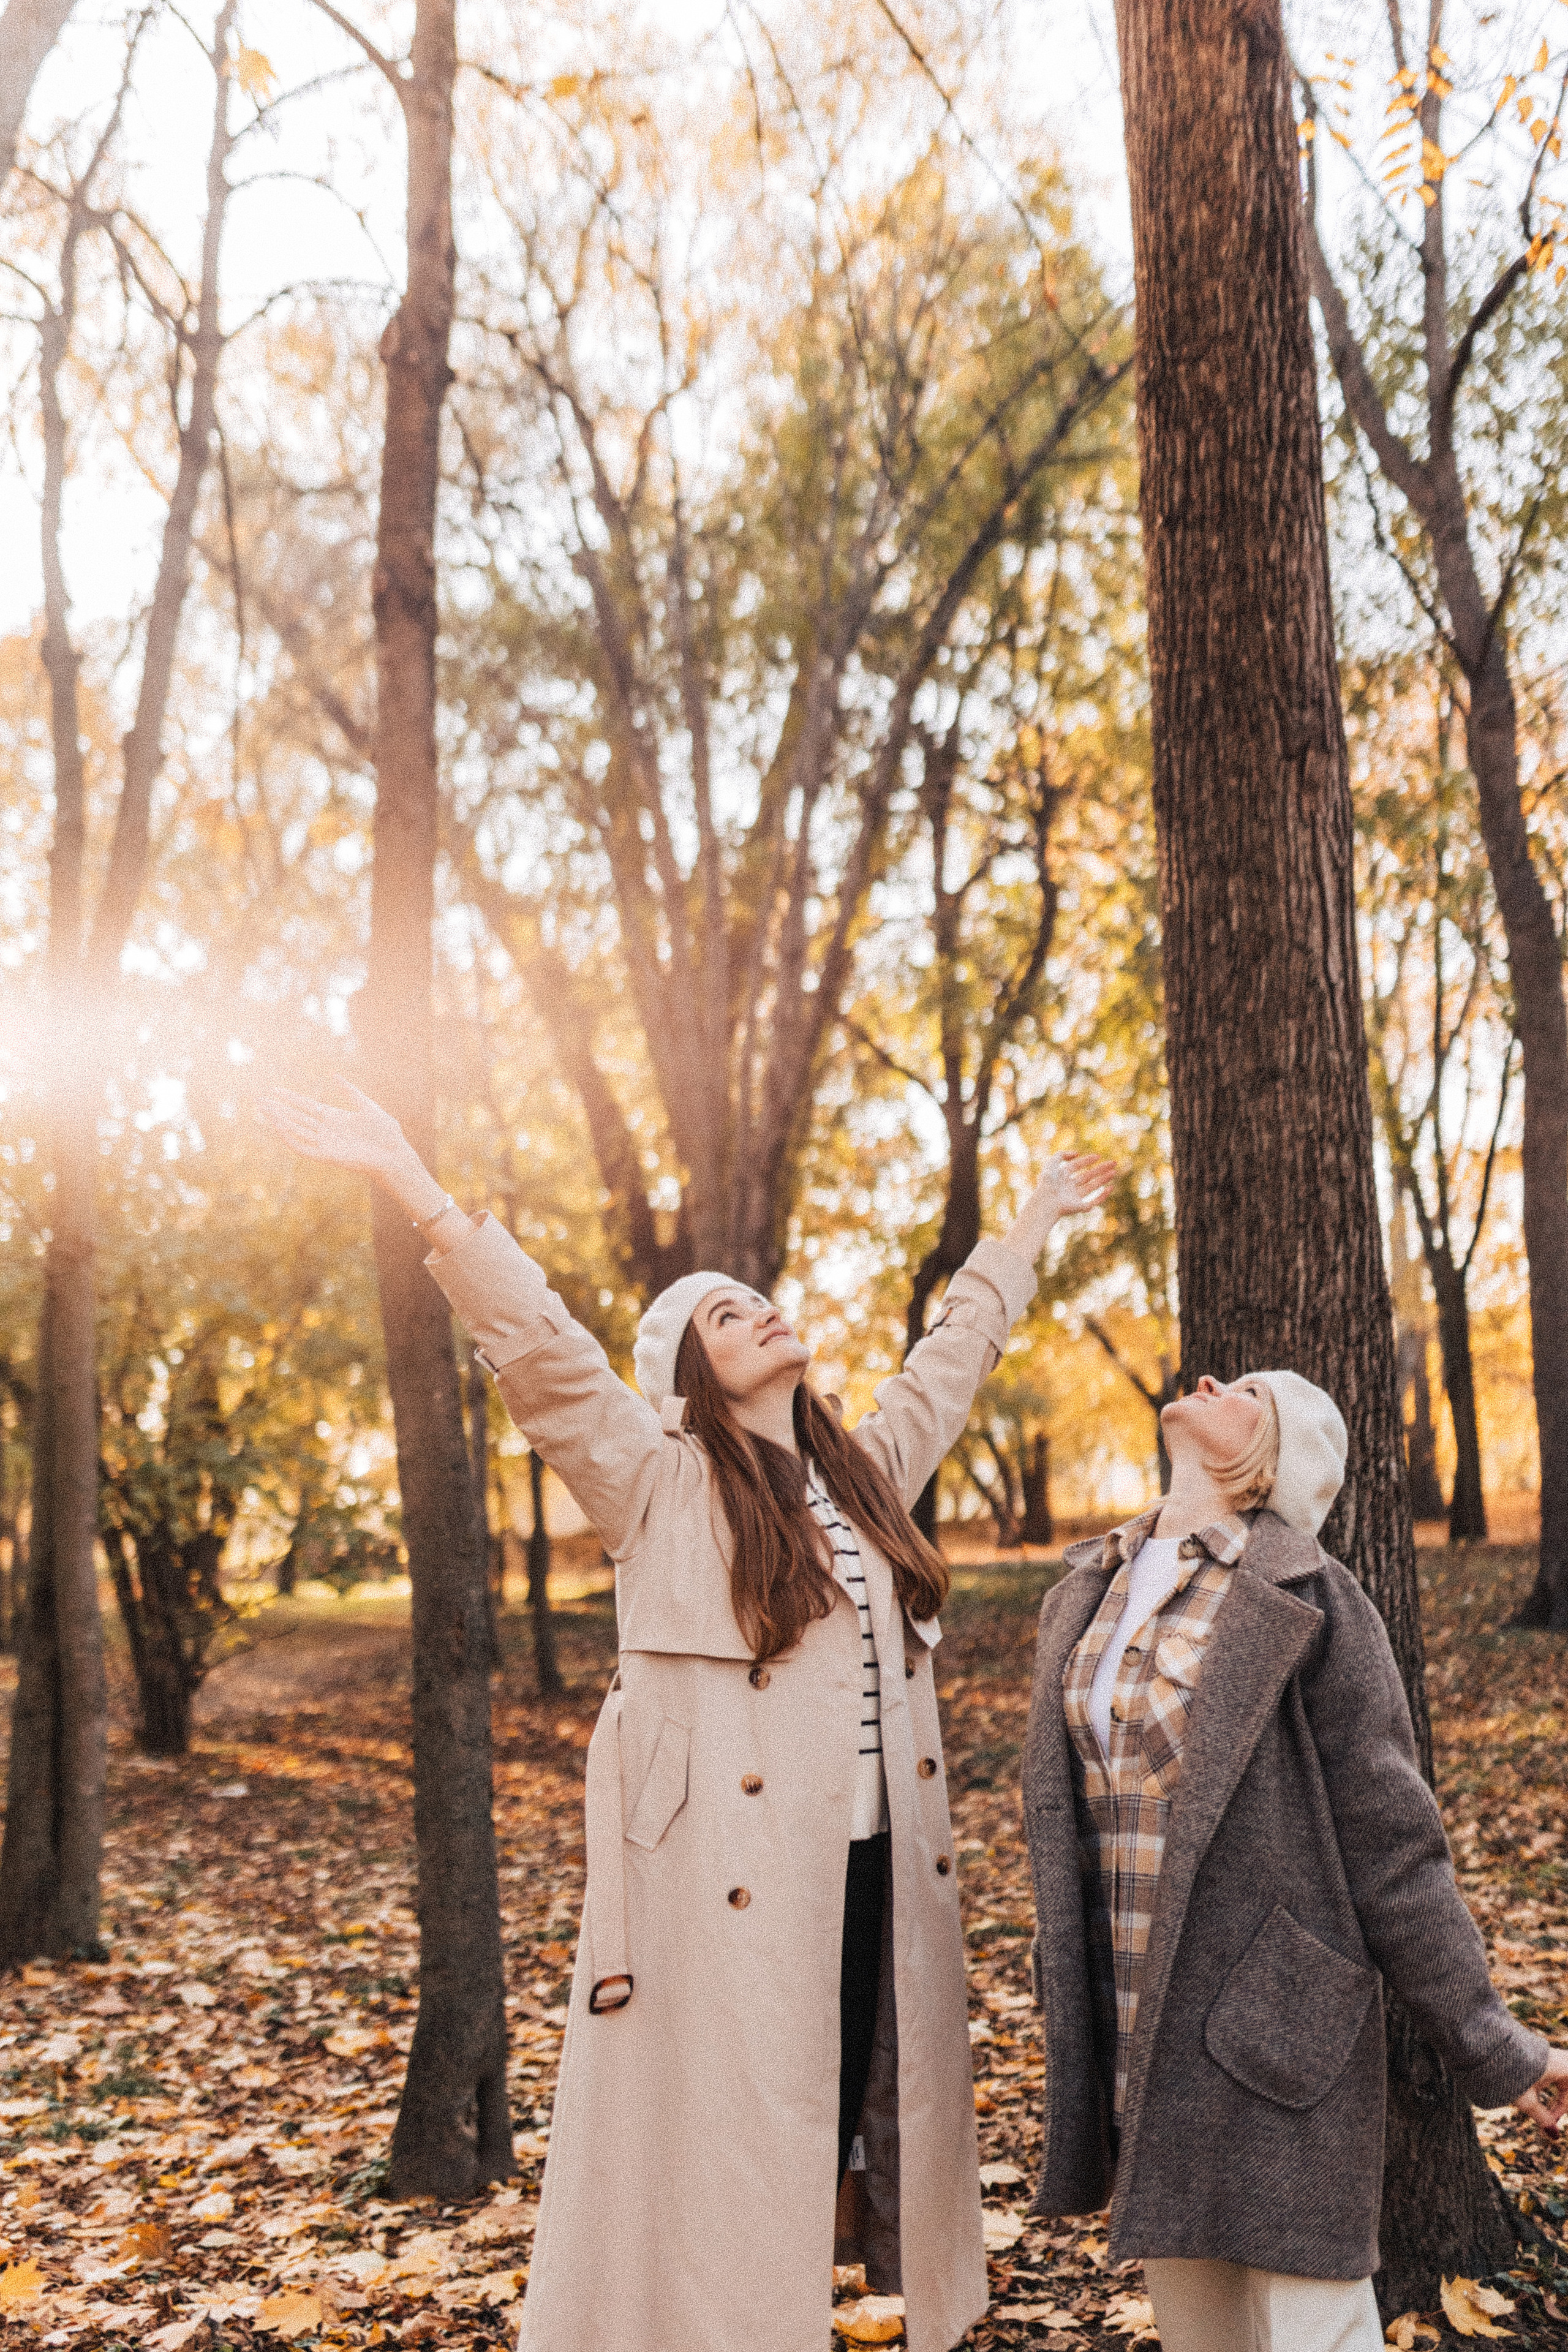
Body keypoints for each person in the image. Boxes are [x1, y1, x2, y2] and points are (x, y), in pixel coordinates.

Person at [265, 1077, 1114, 2352]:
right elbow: (542, 1350)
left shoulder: (865, 1470)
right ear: (692, 1368)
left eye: (760, 1298)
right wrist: (415, 1186)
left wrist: (1032, 1220)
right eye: (727, 1314)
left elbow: (958, 1351)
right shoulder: (653, 1480)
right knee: (732, 2155)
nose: (763, 1313)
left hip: (876, 1869)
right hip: (734, 1883)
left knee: (850, 2114)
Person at [1022, 1369, 1568, 2352]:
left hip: (1276, 2026)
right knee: (1200, 2333)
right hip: (1140, 2025)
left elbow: (1396, 1845)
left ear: (1273, 1456)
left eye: (1246, 1391)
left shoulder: (1313, 1597)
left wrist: (1496, 2048)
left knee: (1315, 2329)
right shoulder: (1089, 1586)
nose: (1208, 1381)